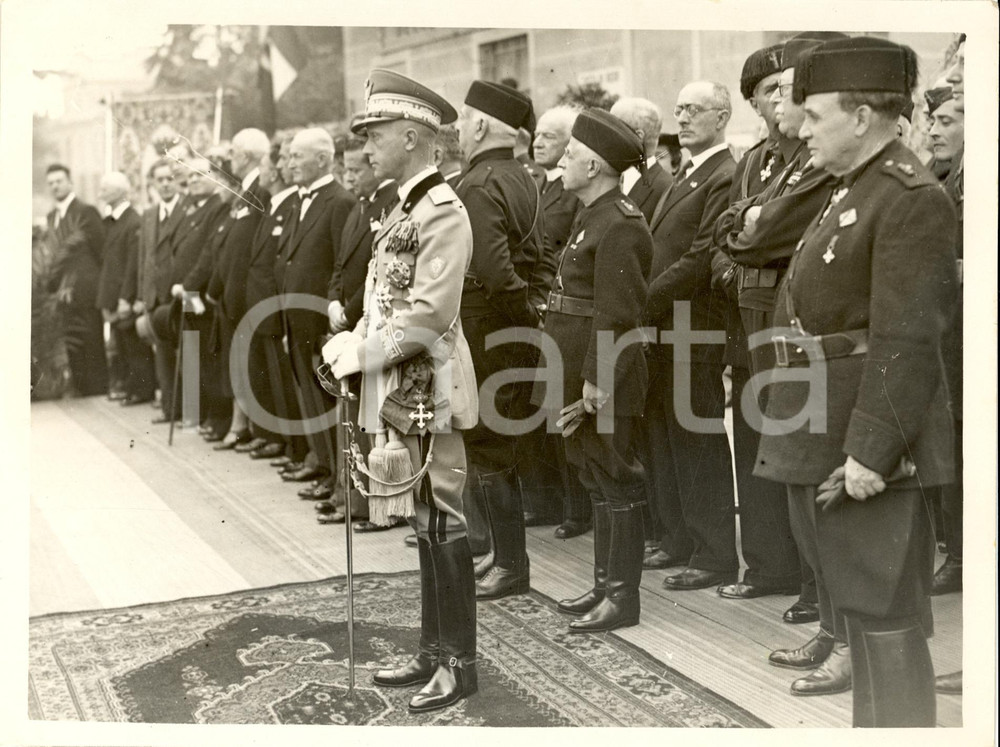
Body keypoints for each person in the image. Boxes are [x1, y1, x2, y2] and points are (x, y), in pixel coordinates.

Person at [754, 36, 958, 727]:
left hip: (865, 441)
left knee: (883, 609)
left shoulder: (907, 196)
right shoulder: (854, 187)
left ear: (865, 116)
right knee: (860, 607)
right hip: (826, 424)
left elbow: (907, 338)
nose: (799, 127)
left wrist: (873, 449)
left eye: (814, 115)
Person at [324, 68, 479, 713]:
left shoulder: (442, 211)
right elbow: (384, 298)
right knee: (422, 520)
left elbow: (428, 314)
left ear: (414, 136)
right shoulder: (403, 208)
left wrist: (360, 349)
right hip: (398, 380)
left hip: (429, 383)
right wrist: (353, 340)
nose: (366, 148)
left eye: (376, 133)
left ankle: (460, 663)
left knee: (443, 516)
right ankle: (430, 651)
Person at [710, 44, 808, 613]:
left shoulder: (810, 158)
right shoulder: (752, 160)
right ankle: (767, 565)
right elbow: (730, 228)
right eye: (767, 91)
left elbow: (770, 231)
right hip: (743, 311)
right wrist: (736, 261)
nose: (779, 98)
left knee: (790, 437)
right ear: (753, 102)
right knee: (753, 442)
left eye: (785, 88)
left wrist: (748, 234)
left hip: (781, 312)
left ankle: (798, 571)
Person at [546, 108, 652, 633]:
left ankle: (621, 598)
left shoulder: (620, 223)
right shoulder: (591, 215)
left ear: (593, 166)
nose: (562, 162)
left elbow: (619, 313)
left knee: (616, 475)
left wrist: (596, 379)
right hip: (577, 366)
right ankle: (604, 584)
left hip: (602, 373)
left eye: (569, 155)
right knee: (592, 473)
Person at [642, 82, 738, 590]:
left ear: (722, 117)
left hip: (694, 325)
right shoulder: (689, 173)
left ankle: (716, 554)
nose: (681, 118)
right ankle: (682, 538)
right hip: (668, 323)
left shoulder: (724, 173)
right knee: (670, 437)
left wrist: (645, 298)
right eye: (677, 108)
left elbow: (701, 256)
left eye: (693, 110)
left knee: (697, 438)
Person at [453, 80, 547, 600]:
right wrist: (529, 319)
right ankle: (504, 556)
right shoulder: (522, 176)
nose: (461, 132)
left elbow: (491, 268)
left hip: (488, 329)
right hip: (509, 328)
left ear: (483, 125)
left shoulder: (478, 182)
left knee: (488, 448)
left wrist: (517, 318)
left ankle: (511, 563)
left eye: (465, 123)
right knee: (496, 446)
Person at [322, 134, 399, 527]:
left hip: (369, 321)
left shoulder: (391, 204)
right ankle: (348, 495)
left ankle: (371, 503)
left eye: (356, 169)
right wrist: (333, 301)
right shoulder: (358, 208)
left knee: (371, 422)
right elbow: (341, 265)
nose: (349, 177)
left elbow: (374, 274)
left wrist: (350, 311)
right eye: (345, 169)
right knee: (349, 415)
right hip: (349, 321)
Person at [274, 128, 356, 492]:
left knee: (325, 399)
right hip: (295, 315)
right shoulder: (298, 199)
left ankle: (335, 474)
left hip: (319, 318)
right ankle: (321, 463)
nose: (289, 163)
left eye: (296, 156)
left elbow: (342, 260)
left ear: (323, 159)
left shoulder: (338, 201)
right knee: (307, 394)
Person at [530, 103, 593, 540]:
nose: (538, 143)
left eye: (549, 137)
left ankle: (578, 508)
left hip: (564, 307)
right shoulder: (542, 187)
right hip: (547, 307)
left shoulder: (572, 193)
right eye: (536, 135)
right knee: (552, 412)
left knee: (569, 413)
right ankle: (565, 502)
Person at [241, 140, 304, 466]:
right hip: (261, 305)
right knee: (272, 380)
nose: (260, 172)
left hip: (275, 307)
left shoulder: (290, 205)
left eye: (264, 166)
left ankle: (292, 448)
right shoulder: (271, 205)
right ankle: (283, 443)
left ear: (276, 172)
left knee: (283, 381)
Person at [45, 163, 108, 397]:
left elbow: (101, 250)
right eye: (50, 183)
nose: (55, 186)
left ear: (70, 182)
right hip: (62, 293)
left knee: (91, 341)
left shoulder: (85, 211)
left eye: (59, 181)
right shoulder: (52, 217)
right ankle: (81, 393)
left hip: (86, 290)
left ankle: (99, 393)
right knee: (73, 345)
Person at [95, 171, 155, 406]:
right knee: (121, 343)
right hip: (113, 292)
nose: (100, 193)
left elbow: (133, 263)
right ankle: (132, 387)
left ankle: (142, 389)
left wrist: (126, 297)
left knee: (133, 344)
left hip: (124, 293)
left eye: (105, 189)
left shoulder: (133, 221)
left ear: (120, 192)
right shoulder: (111, 221)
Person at [134, 159, 185, 422]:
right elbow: (145, 257)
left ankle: (191, 411)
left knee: (186, 353)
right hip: (154, 297)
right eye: (160, 180)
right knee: (162, 354)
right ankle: (170, 409)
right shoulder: (149, 214)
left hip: (176, 295)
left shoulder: (186, 210)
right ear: (153, 184)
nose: (165, 184)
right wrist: (143, 295)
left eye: (169, 178)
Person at [610, 97, 673, 223]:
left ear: (638, 137)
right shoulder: (608, 178)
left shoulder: (668, 188)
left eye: (613, 130)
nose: (607, 137)